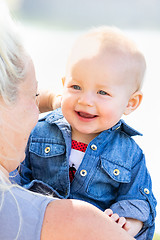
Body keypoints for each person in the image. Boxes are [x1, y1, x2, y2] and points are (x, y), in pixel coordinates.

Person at [0, 2, 138, 240]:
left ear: (131, 102)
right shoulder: (84, 225)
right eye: (34, 97)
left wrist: (56, 99)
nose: (86, 102)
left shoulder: (12, 172)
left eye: (102, 93)